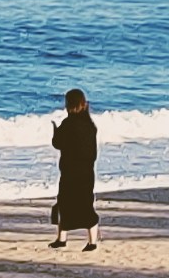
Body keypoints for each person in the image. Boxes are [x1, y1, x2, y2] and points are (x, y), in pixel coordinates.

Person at [49, 87, 98, 251]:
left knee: (65, 203)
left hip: (70, 172)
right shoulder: (90, 125)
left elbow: (58, 144)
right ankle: (92, 242)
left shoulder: (68, 124)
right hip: (86, 172)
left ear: (69, 105)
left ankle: (61, 239)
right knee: (86, 205)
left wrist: (55, 130)